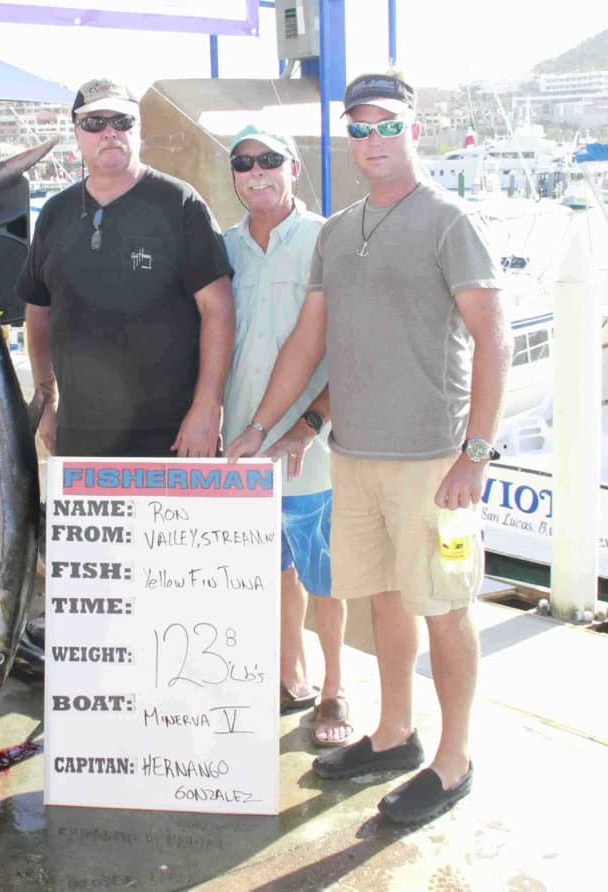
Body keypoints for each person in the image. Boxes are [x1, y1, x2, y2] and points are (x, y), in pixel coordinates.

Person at [227, 73, 511, 823]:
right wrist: (261, 425)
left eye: (386, 125)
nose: (372, 139)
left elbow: (493, 338)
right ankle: (394, 734)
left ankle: (454, 762)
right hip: (352, 454)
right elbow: (306, 340)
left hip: (431, 461)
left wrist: (474, 454)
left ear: (415, 128)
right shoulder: (337, 229)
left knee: (444, 608)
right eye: (359, 128)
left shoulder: (449, 220)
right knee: (382, 600)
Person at [17, 77, 234, 458]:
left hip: (172, 437)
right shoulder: (54, 213)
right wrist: (46, 403)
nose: (109, 132)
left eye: (122, 121)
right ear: (77, 133)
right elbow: (37, 314)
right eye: (94, 122)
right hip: (80, 436)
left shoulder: (181, 204)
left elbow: (218, 309)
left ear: (139, 130)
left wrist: (206, 408)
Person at [221, 125, 351, 745]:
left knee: (325, 575)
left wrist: (306, 427)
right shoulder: (222, 248)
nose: (256, 173)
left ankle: (334, 689)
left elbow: (353, 352)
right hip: (241, 449)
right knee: (271, 572)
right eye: (242, 164)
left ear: (294, 167)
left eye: (269, 160)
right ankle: (287, 673)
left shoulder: (329, 239)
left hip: (313, 453)